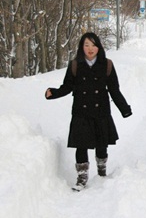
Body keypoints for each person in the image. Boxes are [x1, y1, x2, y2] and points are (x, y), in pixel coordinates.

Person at [45, 32, 132, 191]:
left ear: (98, 47)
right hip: (81, 111)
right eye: (86, 45)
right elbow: (67, 87)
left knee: (101, 144)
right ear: (81, 47)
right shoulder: (75, 65)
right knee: (81, 145)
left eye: (93, 45)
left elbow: (114, 90)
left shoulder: (107, 65)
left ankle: (101, 171)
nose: (90, 49)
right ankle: (82, 177)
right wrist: (54, 93)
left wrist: (124, 108)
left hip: (101, 111)